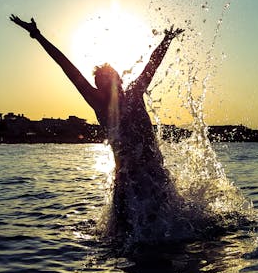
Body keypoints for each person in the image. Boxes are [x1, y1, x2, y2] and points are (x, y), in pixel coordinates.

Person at [10, 14, 184, 242]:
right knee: (120, 236)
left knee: (171, 228)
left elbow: (152, 65)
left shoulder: (135, 92)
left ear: (119, 80)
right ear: (97, 87)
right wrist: (37, 35)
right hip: (126, 179)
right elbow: (67, 67)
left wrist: (167, 40)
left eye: (109, 79)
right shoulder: (99, 103)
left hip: (154, 174)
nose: (105, 85)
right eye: (101, 82)